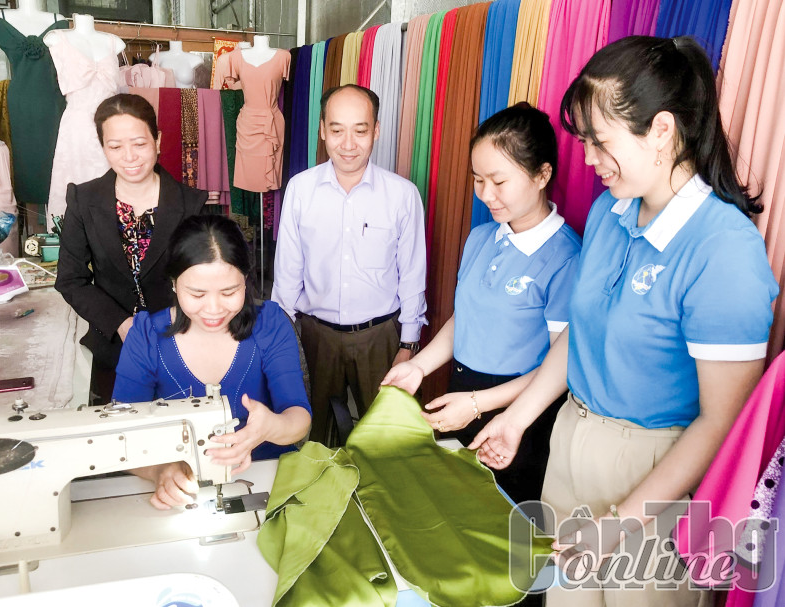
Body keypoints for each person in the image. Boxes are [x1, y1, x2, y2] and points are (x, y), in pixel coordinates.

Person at [470, 36, 779, 605]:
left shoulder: (723, 250)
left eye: (600, 141)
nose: (589, 159)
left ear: (661, 130)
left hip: (657, 481)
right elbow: (581, 337)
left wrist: (616, 526)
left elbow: (720, 423)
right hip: (570, 447)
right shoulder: (608, 215)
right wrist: (517, 418)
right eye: (585, 142)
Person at [382, 103, 580, 505]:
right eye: (478, 180)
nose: (486, 194)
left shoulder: (567, 257)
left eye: (499, 181)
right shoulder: (482, 237)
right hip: (460, 394)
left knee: (502, 520)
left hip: (518, 414)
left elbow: (559, 366)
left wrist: (477, 405)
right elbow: (465, 319)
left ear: (542, 175)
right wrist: (418, 367)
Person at [113, 214, 312, 510]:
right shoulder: (146, 336)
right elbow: (121, 436)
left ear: (245, 280)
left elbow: (299, 419)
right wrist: (159, 471)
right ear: (174, 284)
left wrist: (270, 427)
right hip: (183, 490)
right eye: (197, 294)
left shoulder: (270, 324)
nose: (214, 309)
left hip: (267, 478)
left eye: (230, 292)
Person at [272, 84, 427, 444]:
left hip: (380, 338)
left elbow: (412, 273)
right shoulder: (300, 189)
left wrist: (408, 345)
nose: (348, 144)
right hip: (315, 336)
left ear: (376, 131)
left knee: (388, 439)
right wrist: (280, 340)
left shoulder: (402, 194)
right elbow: (288, 271)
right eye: (337, 130)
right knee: (309, 438)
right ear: (322, 130)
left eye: (360, 131)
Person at [55, 93, 208, 404]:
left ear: (158, 140)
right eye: (115, 147)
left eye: (139, 144)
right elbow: (71, 280)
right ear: (103, 147)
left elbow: (207, 280)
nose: (129, 157)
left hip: (183, 344)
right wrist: (122, 325)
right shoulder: (83, 201)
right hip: (112, 349)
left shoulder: (192, 204)